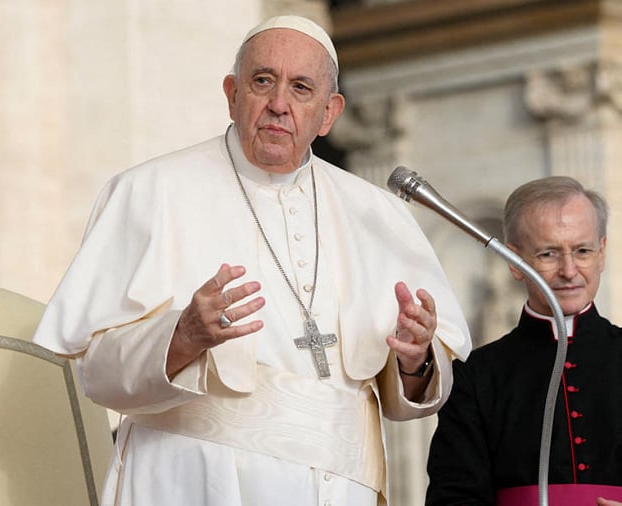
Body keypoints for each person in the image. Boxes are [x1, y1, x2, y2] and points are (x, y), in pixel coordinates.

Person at [33, 15, 471, 505]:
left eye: (301, 88)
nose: (278, 104)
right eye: (263, 81)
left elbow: (411, 394)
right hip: (192, 480)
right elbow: (96, 371)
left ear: (329, 113)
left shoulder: (378, 213)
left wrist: (415, 360)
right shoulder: (149, 191)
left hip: (342, 489)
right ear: (232, 94)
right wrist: (181, 337)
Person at [426, 176, 622, 506]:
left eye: (583, 251)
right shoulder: (476, 376)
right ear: (514, 263)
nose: (570, 270)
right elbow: (453, 497)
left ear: (602, 253)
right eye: (549, 254)